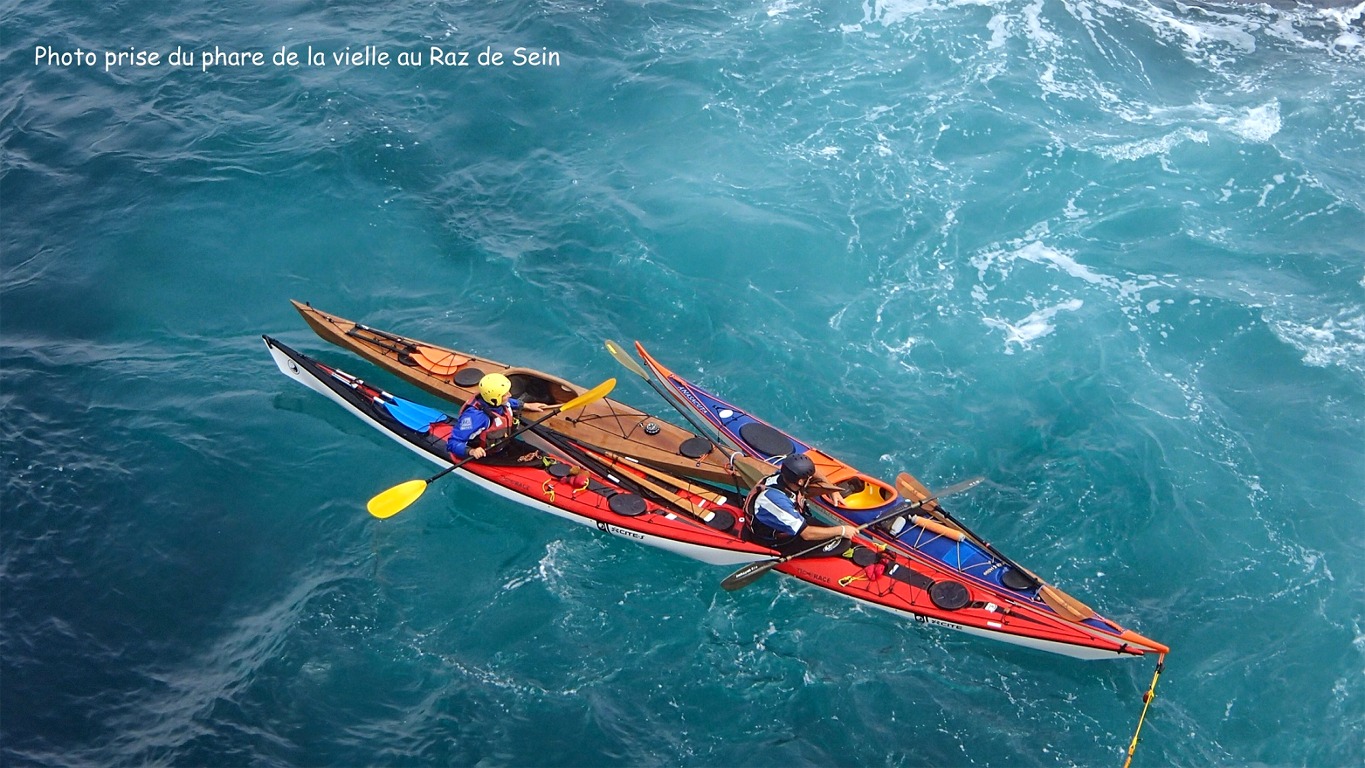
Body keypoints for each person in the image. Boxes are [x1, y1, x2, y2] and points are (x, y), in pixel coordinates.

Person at [743, 453, 855, 556]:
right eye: (808, 478)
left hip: (794, 521)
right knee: (843, 544)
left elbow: (815, 472)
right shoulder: (775, 501)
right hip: (775, 541)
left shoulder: (785, 476)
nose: (811, 478)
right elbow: (806, 534)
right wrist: (842, 530)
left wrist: (832, 489)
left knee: (838, 537)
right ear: (800, 481)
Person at [447, 373, 547, 462]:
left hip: (504, 443)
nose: (510, 395)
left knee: (541, 454)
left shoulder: (496, 402)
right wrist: (472, 451)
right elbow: (452, 443)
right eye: (505, 394)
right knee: (536, 462)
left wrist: (526, 405)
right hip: (487, 454)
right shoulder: (476, 417)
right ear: (494, 398)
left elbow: (507, 402)